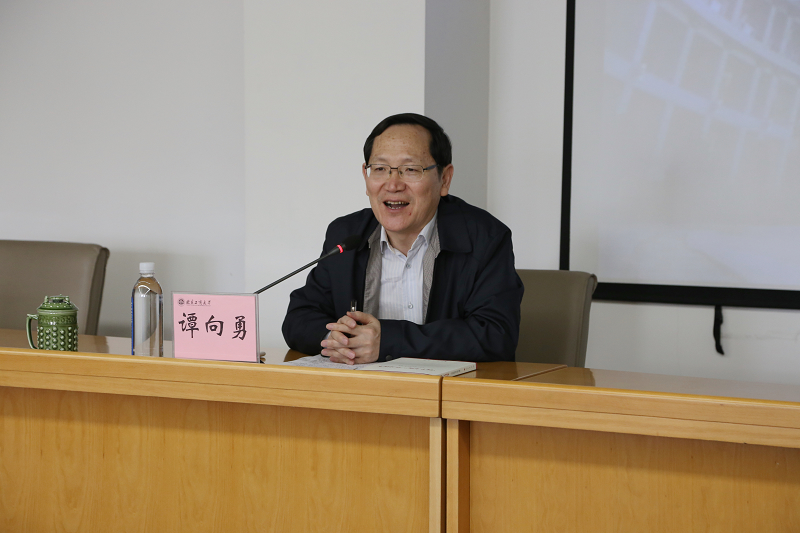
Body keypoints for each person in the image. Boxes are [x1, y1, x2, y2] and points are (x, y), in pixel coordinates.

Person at [282, 113, 523, 364]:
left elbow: (496, 335)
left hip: (445, 387)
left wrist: (388, 341)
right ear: (366, 177)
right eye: (380, 169)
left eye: (410, 169)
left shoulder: (485, 237)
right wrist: (338, 339)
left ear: (445, 179)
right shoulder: (346, 235)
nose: (393, 184)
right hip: (361, 386)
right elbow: (299, 318)